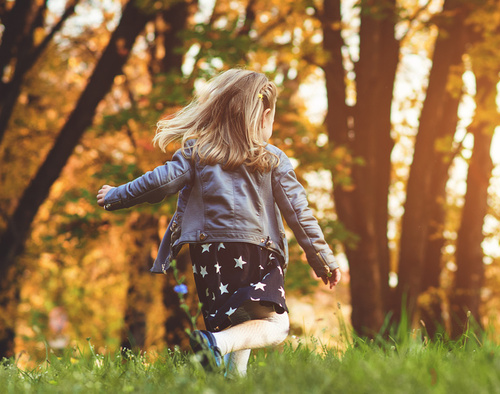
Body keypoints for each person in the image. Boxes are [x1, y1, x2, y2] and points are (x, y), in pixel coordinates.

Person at [96, 69, 341, 375]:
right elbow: (300, 214)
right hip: (255, 251)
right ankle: (213, 343)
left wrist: (117, 195)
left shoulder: (198, 152)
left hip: (208, 257)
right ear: (264, 117)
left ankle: (225, 373)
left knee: (240, 325)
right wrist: (323, 260)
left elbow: (159, 183)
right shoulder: (272, 158)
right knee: (276, 325)